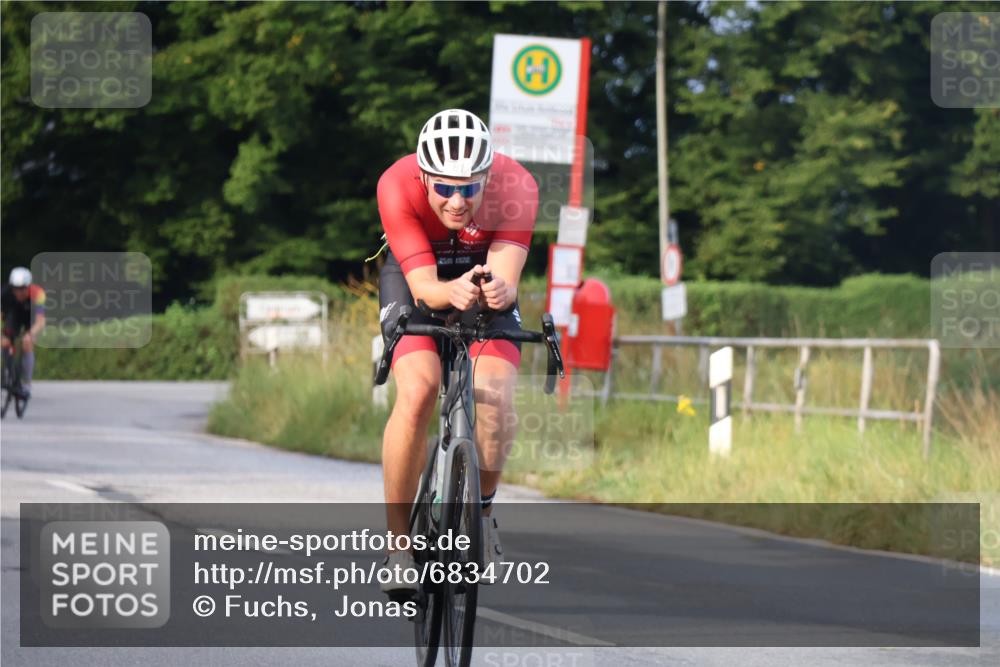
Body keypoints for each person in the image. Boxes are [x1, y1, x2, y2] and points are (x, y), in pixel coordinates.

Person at [375, 109, 538, 594]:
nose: (457, 201)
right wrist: (451, 291)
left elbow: (506, 279)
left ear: (489, 176)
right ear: (424, 177)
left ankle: (482, 514)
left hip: (483, 278)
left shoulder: (517, 185)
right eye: (444, 188)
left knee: (494, 397)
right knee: (419, 391)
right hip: (416, 278)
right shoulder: (396, 184)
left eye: (469, 188)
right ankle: (399, 548)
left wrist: (499, 291)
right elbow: (425, 287)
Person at [1, 267, 46, 398]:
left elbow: (41, 320)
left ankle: (26, 384)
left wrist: (31, 334)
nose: (19, 292)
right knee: (4, 342)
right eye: (16, 289)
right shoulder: (5, 293)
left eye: (22, 289)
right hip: (13, 315)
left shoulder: (38, 294)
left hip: (30, 317)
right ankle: (8, 371)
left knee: (27, 342)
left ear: (29, 286)